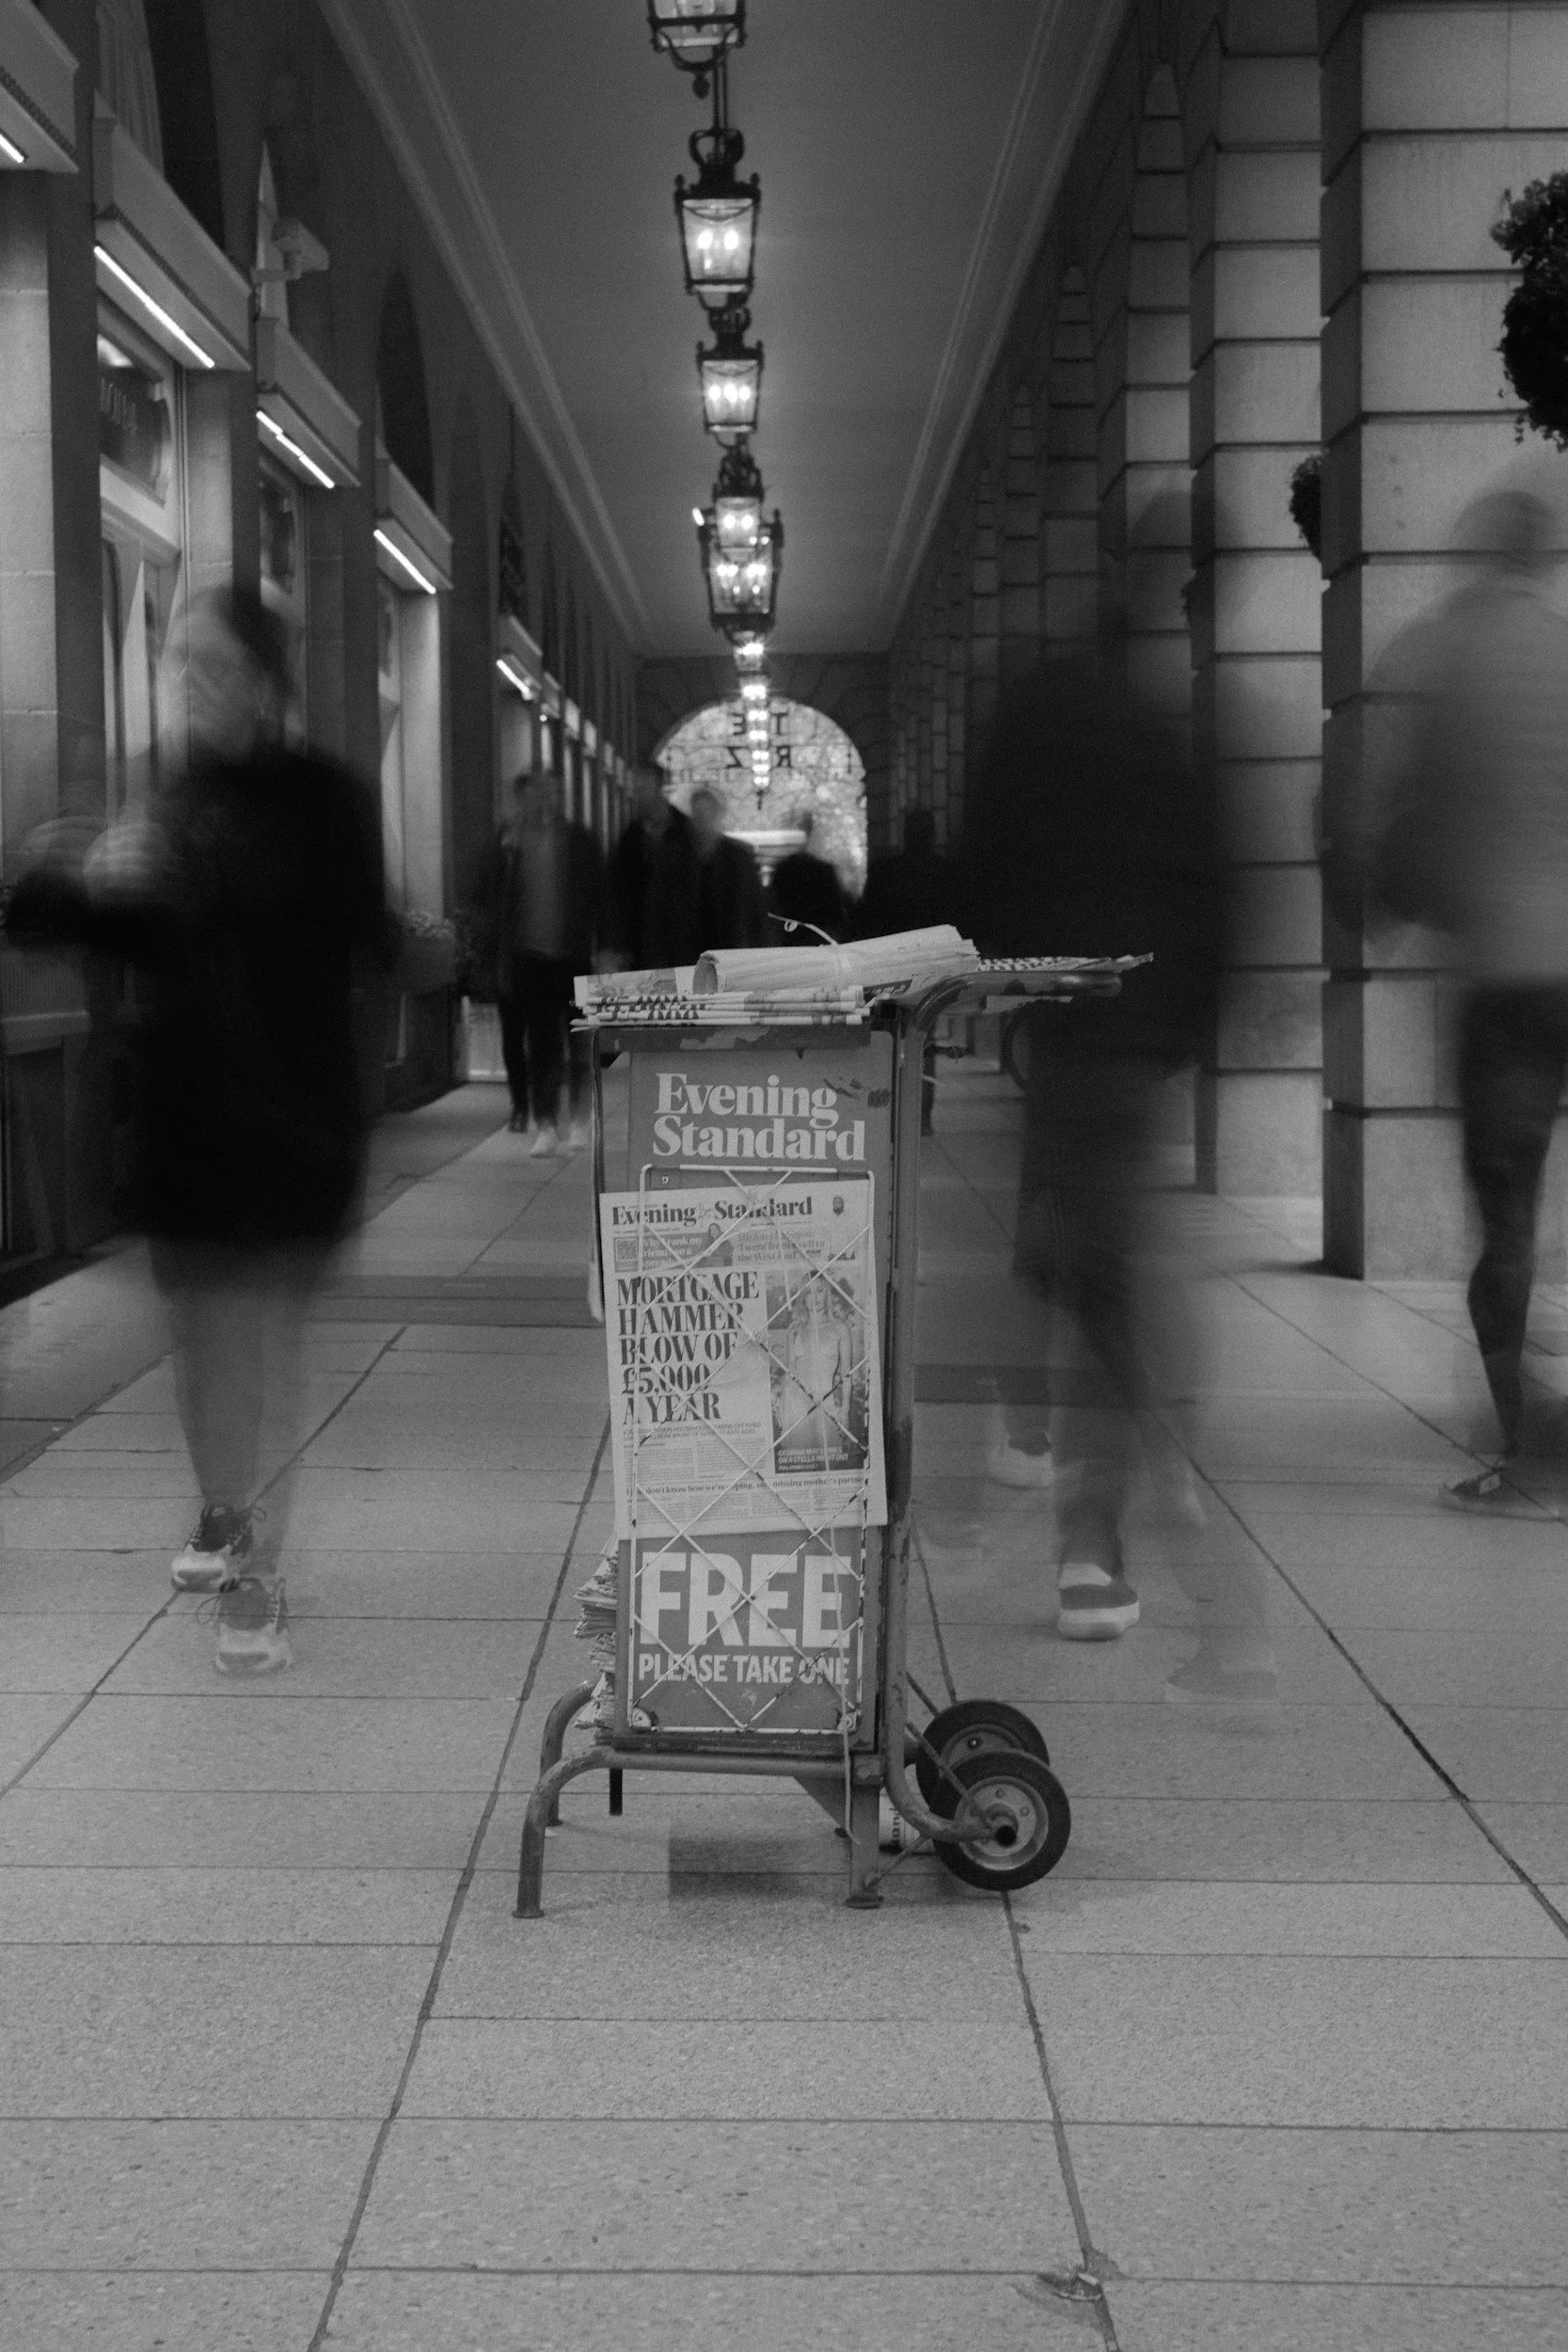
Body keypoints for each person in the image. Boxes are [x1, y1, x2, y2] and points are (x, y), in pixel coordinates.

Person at [6, 585, 395, 1674]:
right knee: (198, 1338)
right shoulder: (163, 796)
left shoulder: (328, 801)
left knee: (257, 1342)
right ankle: (224, 1508)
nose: (193, 683)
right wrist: (59, 885)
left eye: (214, 665)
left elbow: (360, 936)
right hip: (185, 1111)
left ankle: (259, 1574)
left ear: (267, 682)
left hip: (294, 1111)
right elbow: (135, 935)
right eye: (182, 664)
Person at [960, 635, 1233, 1657]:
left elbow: (982, 867)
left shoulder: (1036, 713)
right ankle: (1097, 1518)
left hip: (1064, 1026)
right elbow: (1218, 884)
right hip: (1129, 1037)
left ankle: (1072, 1486)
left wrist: (1003, 988)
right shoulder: (1170, 728)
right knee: (1107, 1263)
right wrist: (1187, 1030)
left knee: (1073, 1248)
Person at [1352, 489, 1568, 1502]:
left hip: (1506, 975)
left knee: (1508, 1214)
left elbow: (1389, 811)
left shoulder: (1437, 656)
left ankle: (1520, 1441)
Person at [474, 769, 605, 1155]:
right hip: (528, 958)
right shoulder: (509, 843)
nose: (544, 800)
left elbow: (599, 893)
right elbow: (489, 896)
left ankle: (580, 1119)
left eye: (551, 792)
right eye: (536, 794)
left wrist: (607, 946)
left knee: (579, 1040)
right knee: (542, 1044)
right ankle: (546, 1123)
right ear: (523, 798)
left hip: (574, 955)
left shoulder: (579, 839)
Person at [854, 806, 955, 1130]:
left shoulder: (886, 871)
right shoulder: (944, 873)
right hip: (932, 967)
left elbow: (866, 920)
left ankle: (890, 1111)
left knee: (888, 1036)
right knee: (925, 1037)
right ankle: (922, 1116)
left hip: (890, 968)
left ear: (905, 834)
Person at [605, 767, 766, 969]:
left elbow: (754, 914)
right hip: (681, 955)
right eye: (698, 815)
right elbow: (651, 911)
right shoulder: (660, 852)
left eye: (707, 815)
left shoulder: (736, 860)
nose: (702, 822)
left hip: (727, 955)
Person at [768, 809, 847, 945]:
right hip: (818, 940)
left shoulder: (782, 870)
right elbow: (836, 914)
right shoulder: (824, 870)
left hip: (787, 941)